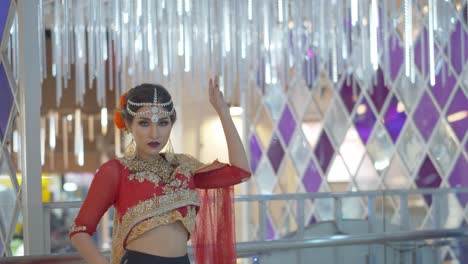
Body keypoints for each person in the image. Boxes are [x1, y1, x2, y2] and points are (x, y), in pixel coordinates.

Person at [69, 78, 252, 264]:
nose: (154, 134)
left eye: (163, 123)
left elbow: (240, 172)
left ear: (172, 124)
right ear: (128, 124)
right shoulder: (116, 171)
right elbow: (80, 230)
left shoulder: (185, 167)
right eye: (144, 123)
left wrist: (223, 111)